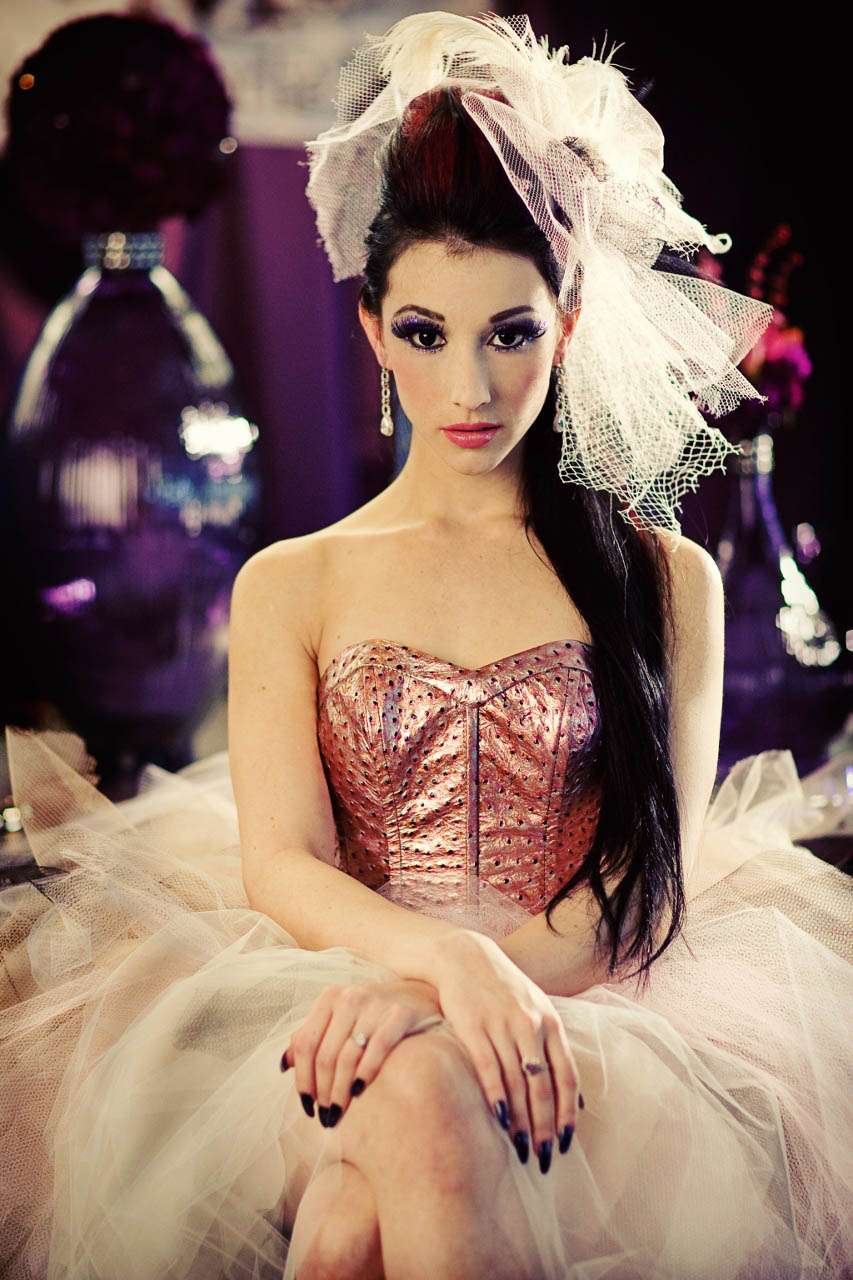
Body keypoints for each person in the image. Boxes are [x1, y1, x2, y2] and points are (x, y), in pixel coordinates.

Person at [1, 12, 851, 1280]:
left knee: (353, 1219)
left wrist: (443, 995)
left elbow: (647, 890)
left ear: (568, 320)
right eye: (424, 333)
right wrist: (438, 962)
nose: (469, 389)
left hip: (592, 1014)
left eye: (509, 332)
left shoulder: (664, 579)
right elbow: (283, 864)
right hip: (328, 999)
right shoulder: (291, 582)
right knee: (402, 1100)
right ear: (370, 329)